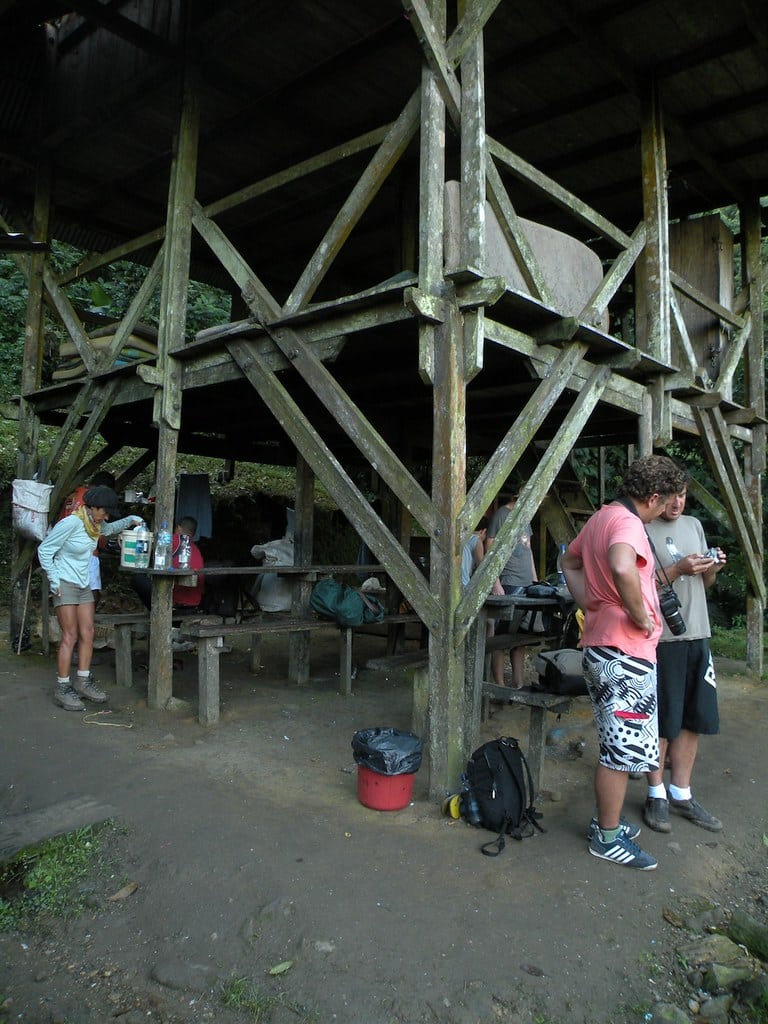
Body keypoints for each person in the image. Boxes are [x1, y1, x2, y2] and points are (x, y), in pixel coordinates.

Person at [561, 454, 687, 871]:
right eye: (664, 502)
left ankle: (607, 824)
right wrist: (637, 613)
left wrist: (590, 603)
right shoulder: (629, 524)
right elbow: (620, 565)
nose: (664, 510)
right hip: (623, 651)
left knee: (618, 743)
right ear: (652, 497)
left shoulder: (602, 516)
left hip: (602, 643)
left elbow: (570, 561)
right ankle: (607, 837)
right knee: (619, 752)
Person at [642, 479, 725, 834]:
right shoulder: (642, 529)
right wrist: (678, 569)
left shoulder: (694, 526)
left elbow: (705, 586)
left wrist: (712, 569)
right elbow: (636, 584)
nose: (677, 503)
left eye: (683, 495)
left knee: (694, 716)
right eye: (671, 496)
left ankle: (682, 792)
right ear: (656, 496)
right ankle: (655, 793)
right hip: (663, 638)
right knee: (664, 719)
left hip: (698, 633)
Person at [38, 485, 144, 711]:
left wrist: (130, 520)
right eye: (103, 512)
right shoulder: (71, 523)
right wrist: (54, 580)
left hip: (83, 583)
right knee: (70, 635)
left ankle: (83, 681)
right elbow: (45, 550)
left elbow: (108, 530)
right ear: (92, 507)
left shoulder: (95, 524)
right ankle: (63, 686)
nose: (105, 517)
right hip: (64, 583)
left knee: (88, 632)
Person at [486, 493, 537, 688]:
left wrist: (534, 580)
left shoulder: (525, 515)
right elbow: (490, 548)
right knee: (501, 637)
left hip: (525, 583)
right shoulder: (501, 515)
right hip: (508, 581)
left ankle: (518, 684)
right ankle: (499, 686)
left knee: (520, 638)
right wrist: (495, 582)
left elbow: (528, 549)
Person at [57, 470, 116, 606]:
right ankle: (86, 620)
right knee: (91, 591)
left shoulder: (73, 495)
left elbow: (61, 521)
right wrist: (101, 542)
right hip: (86, 551)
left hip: (65, 551)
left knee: (70, 591)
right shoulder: (91, 501)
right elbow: (96, 530)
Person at [132, 516, 206, 612]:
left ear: (178, 528)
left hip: (176, 604)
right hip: (194, 605)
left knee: (137, 579)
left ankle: (159, 613)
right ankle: (159, 612)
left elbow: (148, 548)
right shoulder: (196, 550)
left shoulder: (175, 539)